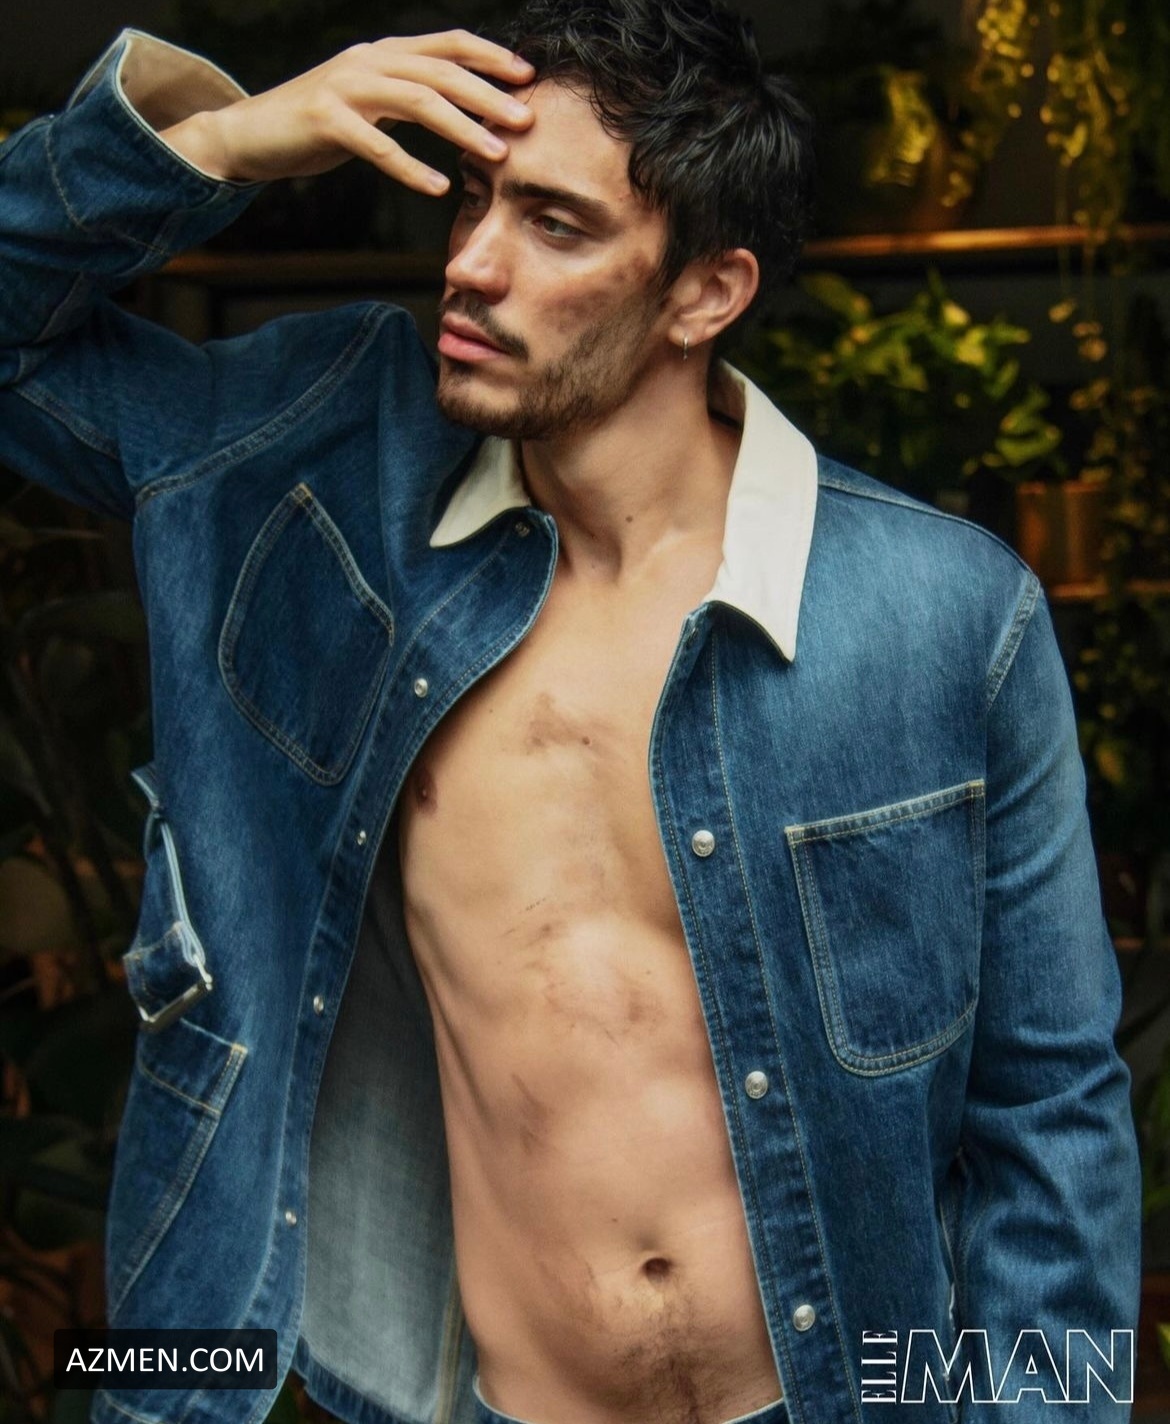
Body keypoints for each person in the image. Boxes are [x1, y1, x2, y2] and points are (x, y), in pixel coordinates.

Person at [0, 1, 1141, 1422]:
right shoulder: (319, 480)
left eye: (553, 224)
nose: (470, 264)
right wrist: (221, 141)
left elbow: (1047, 1114)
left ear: (705, 293)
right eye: (473, 201)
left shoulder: (944, 618)